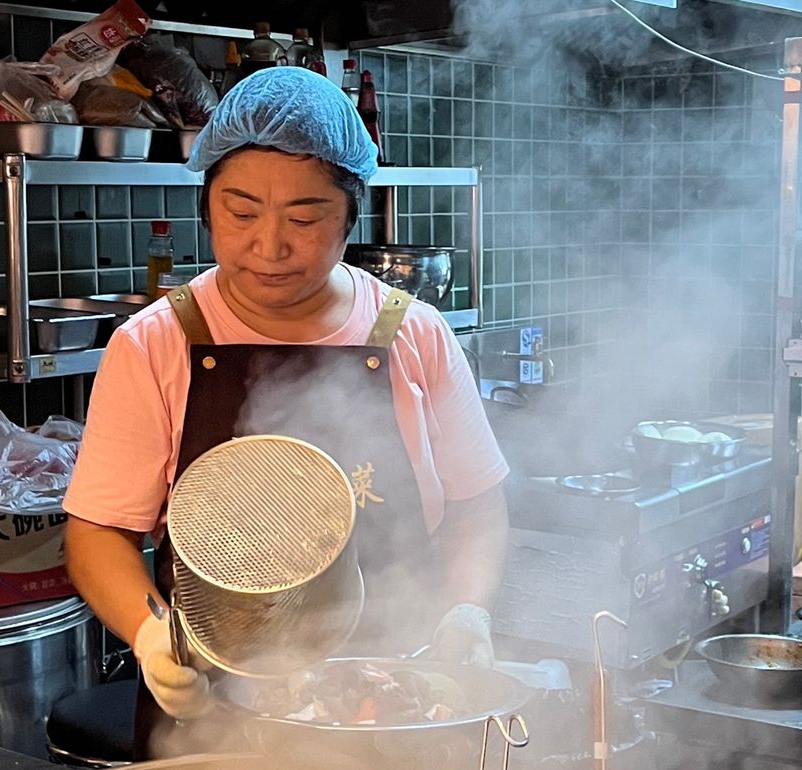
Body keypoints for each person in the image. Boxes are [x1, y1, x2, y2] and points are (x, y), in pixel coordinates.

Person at [61, 67, 510, 760]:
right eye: (241, 213)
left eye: (304, 218)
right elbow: (97, 532)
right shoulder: (154, 342)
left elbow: (477, 506)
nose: (269, 247)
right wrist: (152, 636)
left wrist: (467, 610)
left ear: (351, 213)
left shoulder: (416, 334)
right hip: (213, 712)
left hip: (393, 702)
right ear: (206, 206)